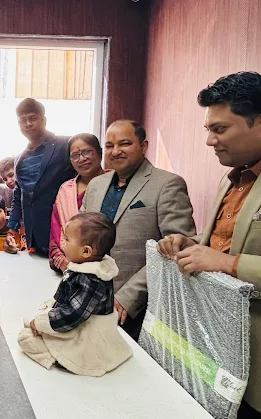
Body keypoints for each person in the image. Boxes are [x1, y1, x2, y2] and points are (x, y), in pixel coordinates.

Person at [157, 72, 261, 419]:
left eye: (219, 129)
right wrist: (191, 246)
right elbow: (219, 244)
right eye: (209, 130)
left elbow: (227, 260)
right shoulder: (233, 176)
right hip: (217, 359)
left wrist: (229, 264)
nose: (210, 141)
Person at [82, 120, 195, 339]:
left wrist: (130, 296)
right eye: (109, 145)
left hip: (138, 307)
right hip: (90, 296)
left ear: (143, 146)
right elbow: (82, 236)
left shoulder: (167, 184)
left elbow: (178, 248)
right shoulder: (96, 185)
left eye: (124, 143)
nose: (115, 151)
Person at [18, 213, 132, 376]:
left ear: (85, 251)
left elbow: (72, 315)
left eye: (66, 239)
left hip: (86, 337)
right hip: (82, 326)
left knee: (25, 338)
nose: (61, 242)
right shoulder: (90, 268)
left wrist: (42, 323)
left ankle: (59, 359)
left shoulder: (90, 280)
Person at [8, 98, 76, 257]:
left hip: (64, 233)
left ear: (44, 120)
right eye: (22, 120)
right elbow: (19, 196)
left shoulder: (65, 145)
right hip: (34, 236)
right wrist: (11, 229)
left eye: (33, 118)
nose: (28, 124)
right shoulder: (19, 159)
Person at [50, 134, 106, 272]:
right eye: (75, 155)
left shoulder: (114, 184)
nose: (81, 159)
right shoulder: (65, 190)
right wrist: (60, 258)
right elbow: (56, 229)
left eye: (87, 152)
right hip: (66, 265)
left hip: (105, 266)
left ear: (99, 152)